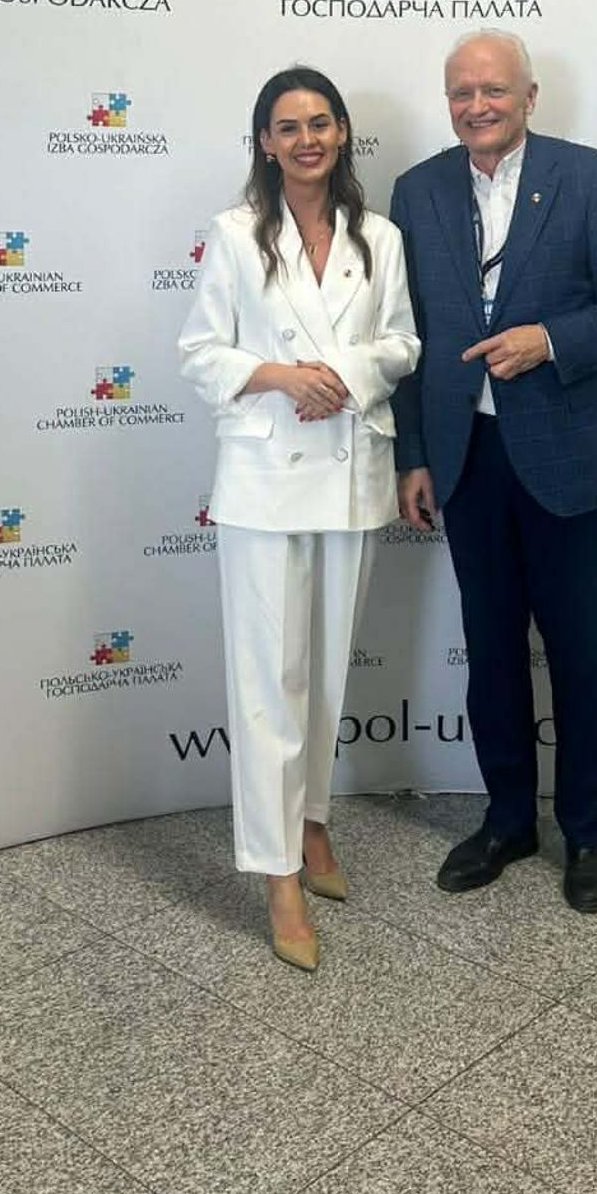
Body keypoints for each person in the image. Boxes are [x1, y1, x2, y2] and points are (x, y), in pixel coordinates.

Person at [390, 32, 597, 913]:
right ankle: (508, 820)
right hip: (467, 460)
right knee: (491, 649)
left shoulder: (588, 177)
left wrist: (549, 339)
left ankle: (586, 833)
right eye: (461, 92)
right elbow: (405, 338)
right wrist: (413, 455)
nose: (477, 106)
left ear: (529, 96)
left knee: (577, 649)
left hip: (569, 458)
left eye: (494, 90)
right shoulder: (418, 190)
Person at [179, 67, 419, 971]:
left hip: (350, 469)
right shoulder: (235, 234)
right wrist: (282, 377)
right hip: (265, 479)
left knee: (324, 672)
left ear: (343, 132)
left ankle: (313, 822)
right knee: (267, 682)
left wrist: (341, 379)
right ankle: (277, 873)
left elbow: (402, 341)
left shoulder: (379, 237)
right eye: (288, 127)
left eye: (320, 122)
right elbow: (199, 351)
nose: (306, 139)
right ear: (265, 143)